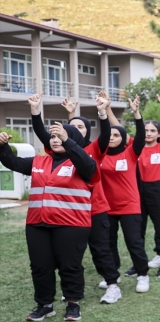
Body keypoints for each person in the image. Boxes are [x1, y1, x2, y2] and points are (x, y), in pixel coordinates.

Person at [31, 93, 123, 305]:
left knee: (101, 249)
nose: (71, 132)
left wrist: (102, 112)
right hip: (69, 213)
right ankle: (70, 291)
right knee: (68, 255)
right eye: (71, 127)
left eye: (81, 127)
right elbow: (42, 132)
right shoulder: (59, 149)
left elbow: (106, 132)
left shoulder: (92, 149)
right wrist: (36, 112)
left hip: (95, 209)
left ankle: (112, 285)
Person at [0, 122, 96, 321]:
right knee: (40, 266)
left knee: (70, 266)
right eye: (52, 137)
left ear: (72, 140)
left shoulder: (83, 162)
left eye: (60, 136)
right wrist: (2, 146)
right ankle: (44, 305)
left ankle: (73, 304)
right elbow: (13, 163)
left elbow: (88, 167)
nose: (55, 139)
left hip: (72, 224)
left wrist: (66, 139)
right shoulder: (38, 162)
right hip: (38, 224)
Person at [100, 96, 152, 294]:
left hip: (129, 205)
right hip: (107, 206)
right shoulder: (100, 154)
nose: (112, 138)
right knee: (108, 243)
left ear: (123, 138)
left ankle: (142, 275)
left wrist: (137, 114)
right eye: (109, 135)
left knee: (134, 242)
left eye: (116, 135)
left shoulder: (131, 153)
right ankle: (113, 275)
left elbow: (140, 136)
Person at [139, 88, 160, 279]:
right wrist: (107, 109)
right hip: (138, 190)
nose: (149, 133)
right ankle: (139, 264)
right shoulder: (134, 148)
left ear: (158, 134)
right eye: (145, 130)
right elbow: (115, 128)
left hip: (158, 189)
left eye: (153, 130)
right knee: (138, 230)